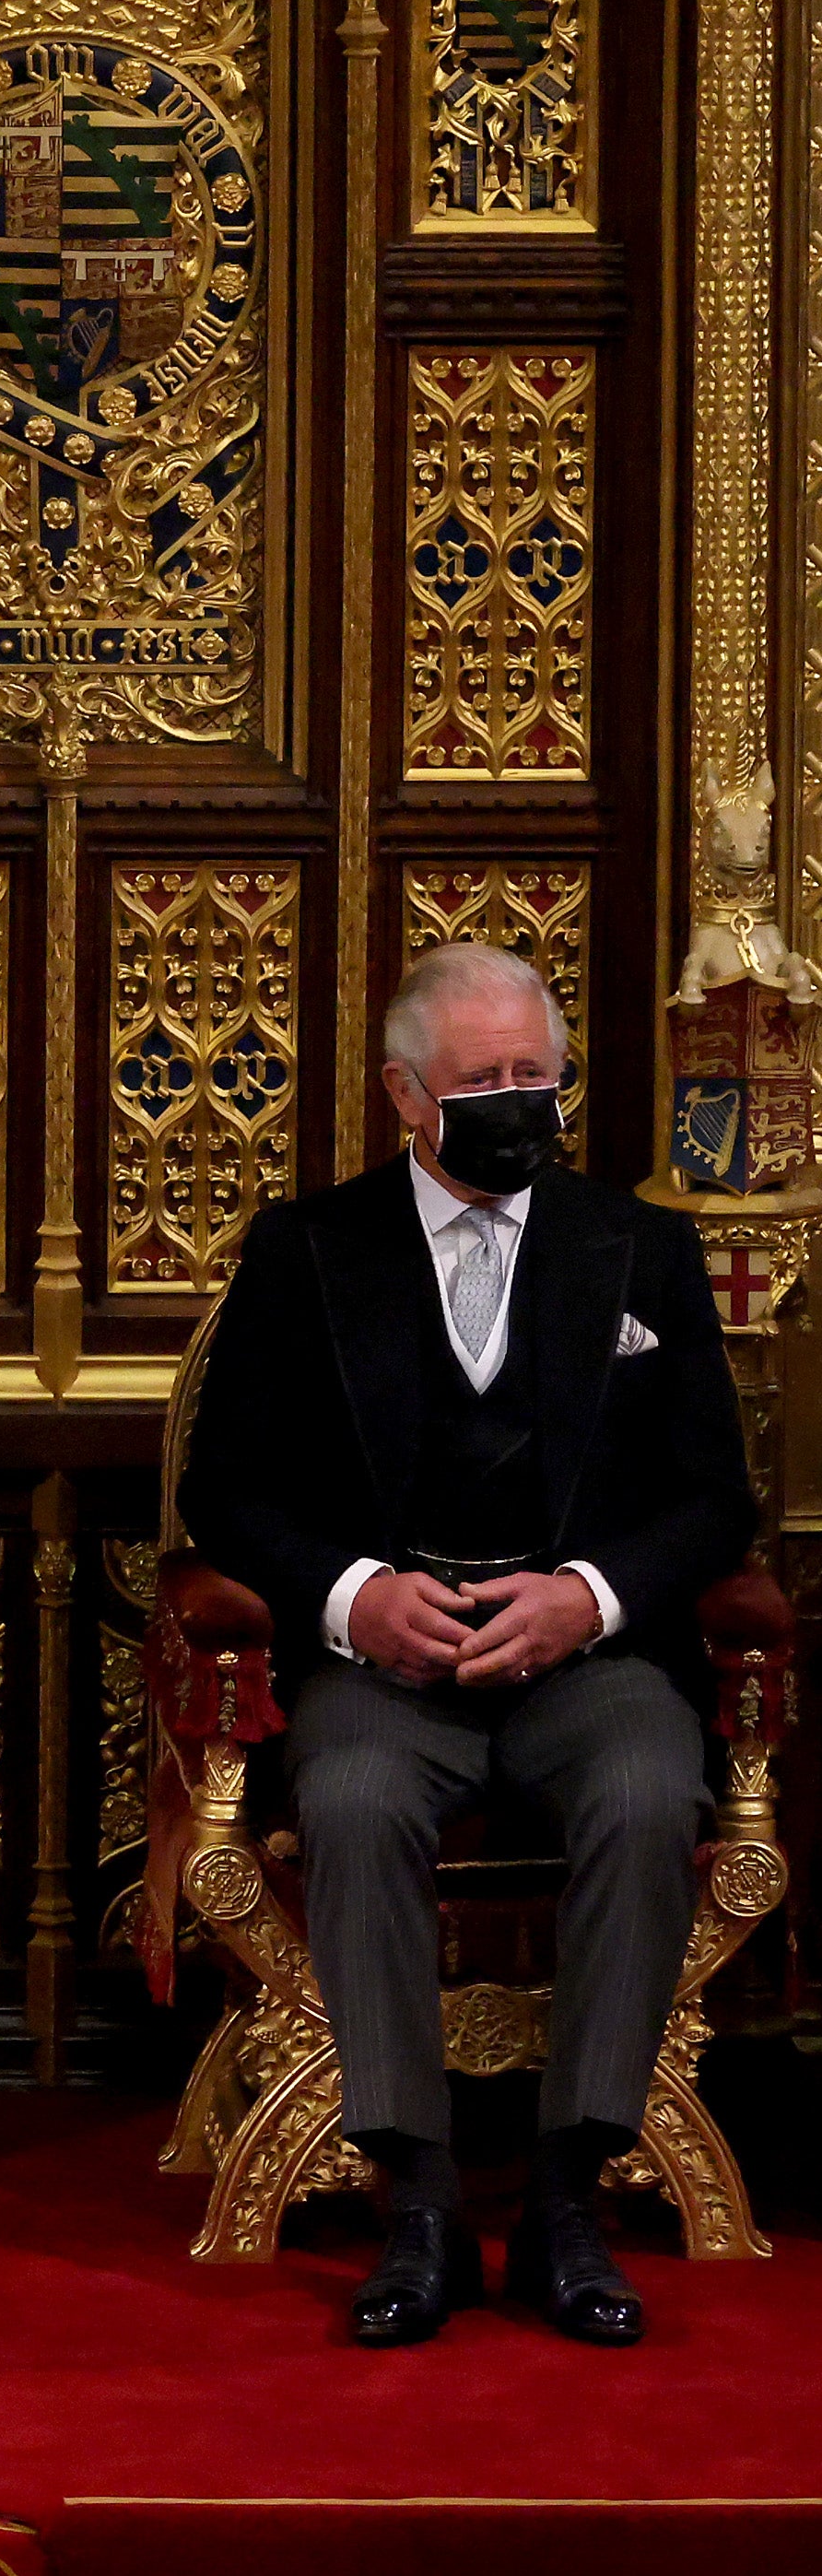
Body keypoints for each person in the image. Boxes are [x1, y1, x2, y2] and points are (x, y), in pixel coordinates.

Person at [178, 940, 751, 2349]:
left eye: (534, 1079)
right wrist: (357, 1595)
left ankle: (566, 2196)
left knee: (642, 1791)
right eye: (482, 1081)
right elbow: (226, 1488)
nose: (516, 1103)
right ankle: (420, 2201)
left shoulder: (644, 1251)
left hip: (588, 1658)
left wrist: (594, 1597)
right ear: (405, 1096)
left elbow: (715, 1495)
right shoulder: (307, 1251)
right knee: (359, 1800)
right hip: (390, 1663)